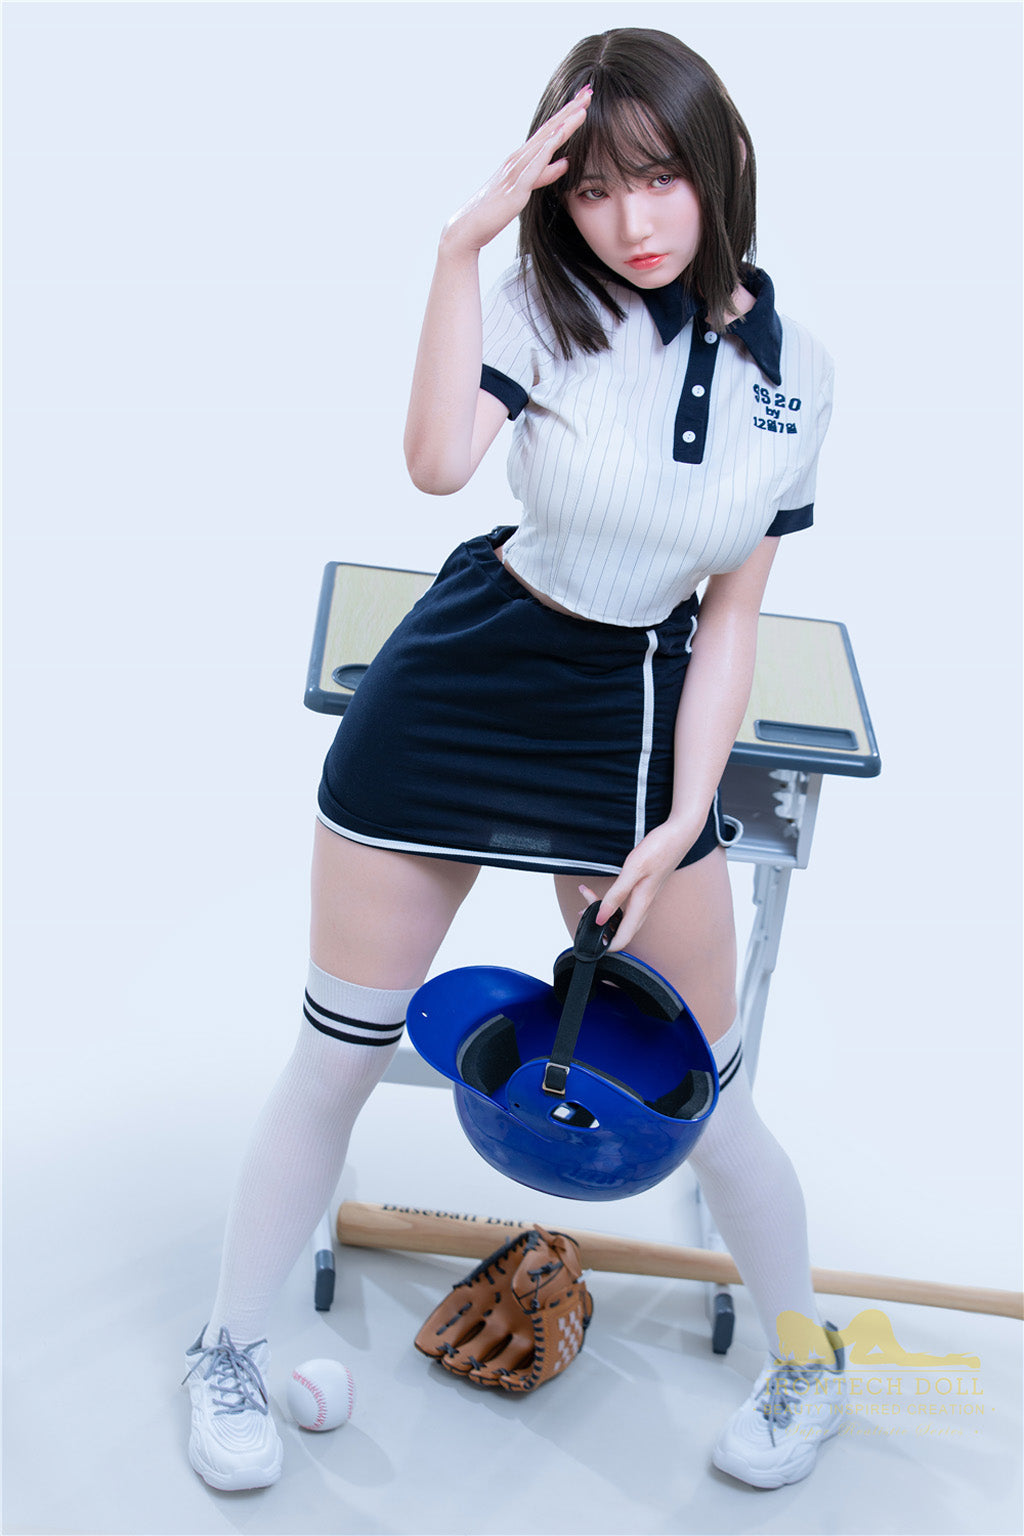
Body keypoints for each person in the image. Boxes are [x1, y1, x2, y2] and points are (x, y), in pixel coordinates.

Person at [183, 27, 846, 1494]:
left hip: (632, 717)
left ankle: (811, 1362)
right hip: (464, 682)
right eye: (594, 189)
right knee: (339, 1054)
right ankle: (225, 1347)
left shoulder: (800, 373)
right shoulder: (540, 301)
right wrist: (458, 247)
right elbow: (435, 464)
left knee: (706, 1092)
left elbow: (734, 615)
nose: (631, 221)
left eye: (659, 178)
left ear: (723, 162)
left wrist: (686, 813)